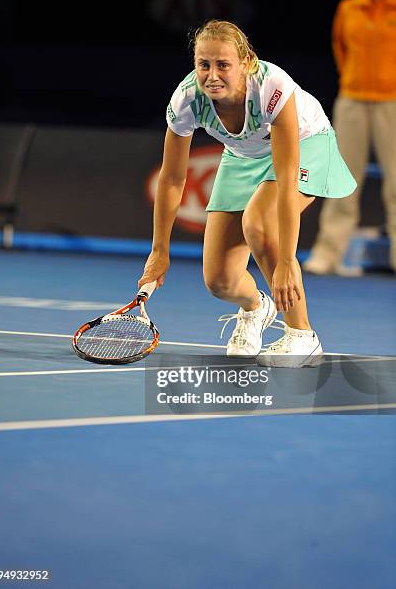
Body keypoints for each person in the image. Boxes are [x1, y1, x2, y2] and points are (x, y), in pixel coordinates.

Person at [138, 20, 356, 367]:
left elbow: (285, 178)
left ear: (246, 62)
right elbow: (171, 179)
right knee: (219, 280)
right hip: (242, 155)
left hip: (305, 145)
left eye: (223, 65)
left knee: (259, 224)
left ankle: (302, 336)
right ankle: (255, 308)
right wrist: (159, 250)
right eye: (203, 64)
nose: (212, 75)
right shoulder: (186, 99)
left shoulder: (272, 87)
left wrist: (285, 260)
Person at [304, 0, 396, 275]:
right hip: (352, 99)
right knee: (340, 178)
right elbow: (340, 47)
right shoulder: (349, 7)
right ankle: (328, 253)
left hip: (392, 101)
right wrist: (353, 80)